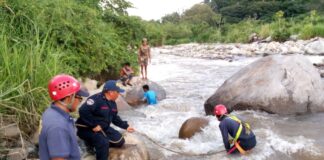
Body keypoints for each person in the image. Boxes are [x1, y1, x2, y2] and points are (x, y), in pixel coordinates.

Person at [76, 80, 135, 160]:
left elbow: (114, 117)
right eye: (117, 92)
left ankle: (96, 144)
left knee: (120, 141)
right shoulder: (95, 99)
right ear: (111, 92)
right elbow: (83, 111)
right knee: (103, 142)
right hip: (87, 128)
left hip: (103, 128)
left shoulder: (113, 103)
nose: (119, 94)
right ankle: (92, 145)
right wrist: (94, 124)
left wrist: (126, 126)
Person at [39, 74, 89, 160]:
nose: (80, 102)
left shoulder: (51, 111)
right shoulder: (58, 126)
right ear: (69, 98)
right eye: (79, 98)